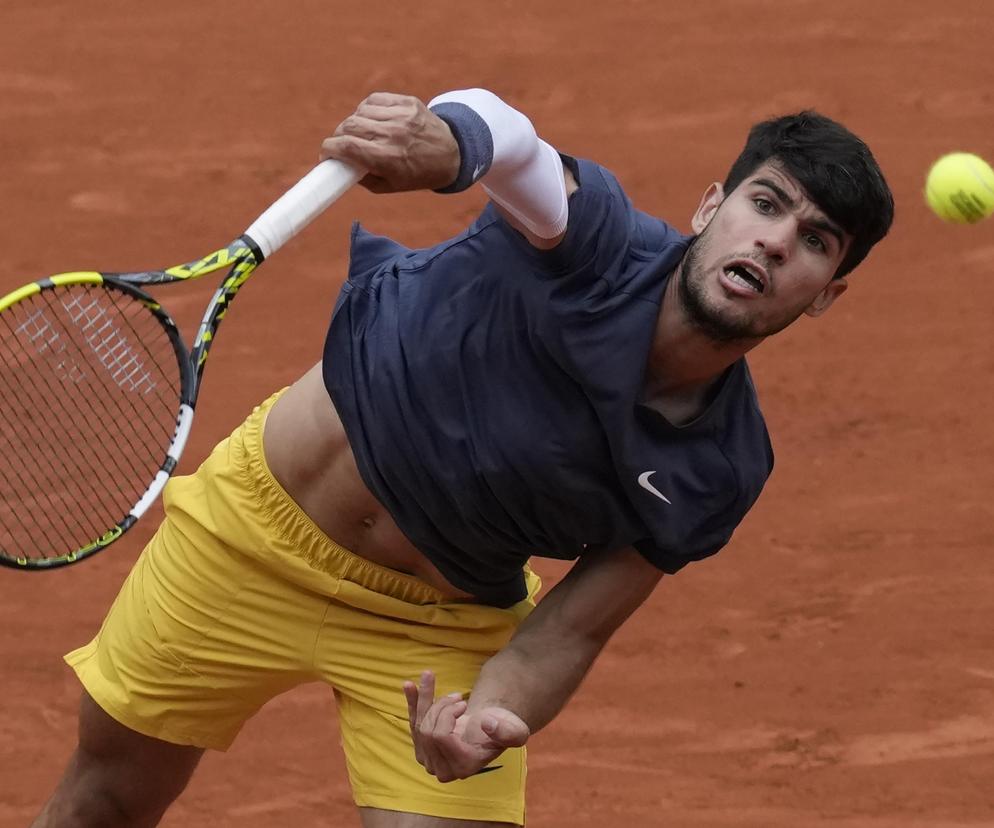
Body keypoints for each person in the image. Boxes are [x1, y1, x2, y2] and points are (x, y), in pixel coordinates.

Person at [32, 88, 894, 827]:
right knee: (100, 805)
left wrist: (490, 715)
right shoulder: (592, 241)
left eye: (817, 242)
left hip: (434, 629)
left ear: (830, 294)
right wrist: (452, 144)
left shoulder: (722, 469)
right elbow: (509, 140)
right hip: (245, 542)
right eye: (768, 205)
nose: (779, 242)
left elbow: (573, 628)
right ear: (713, 208)